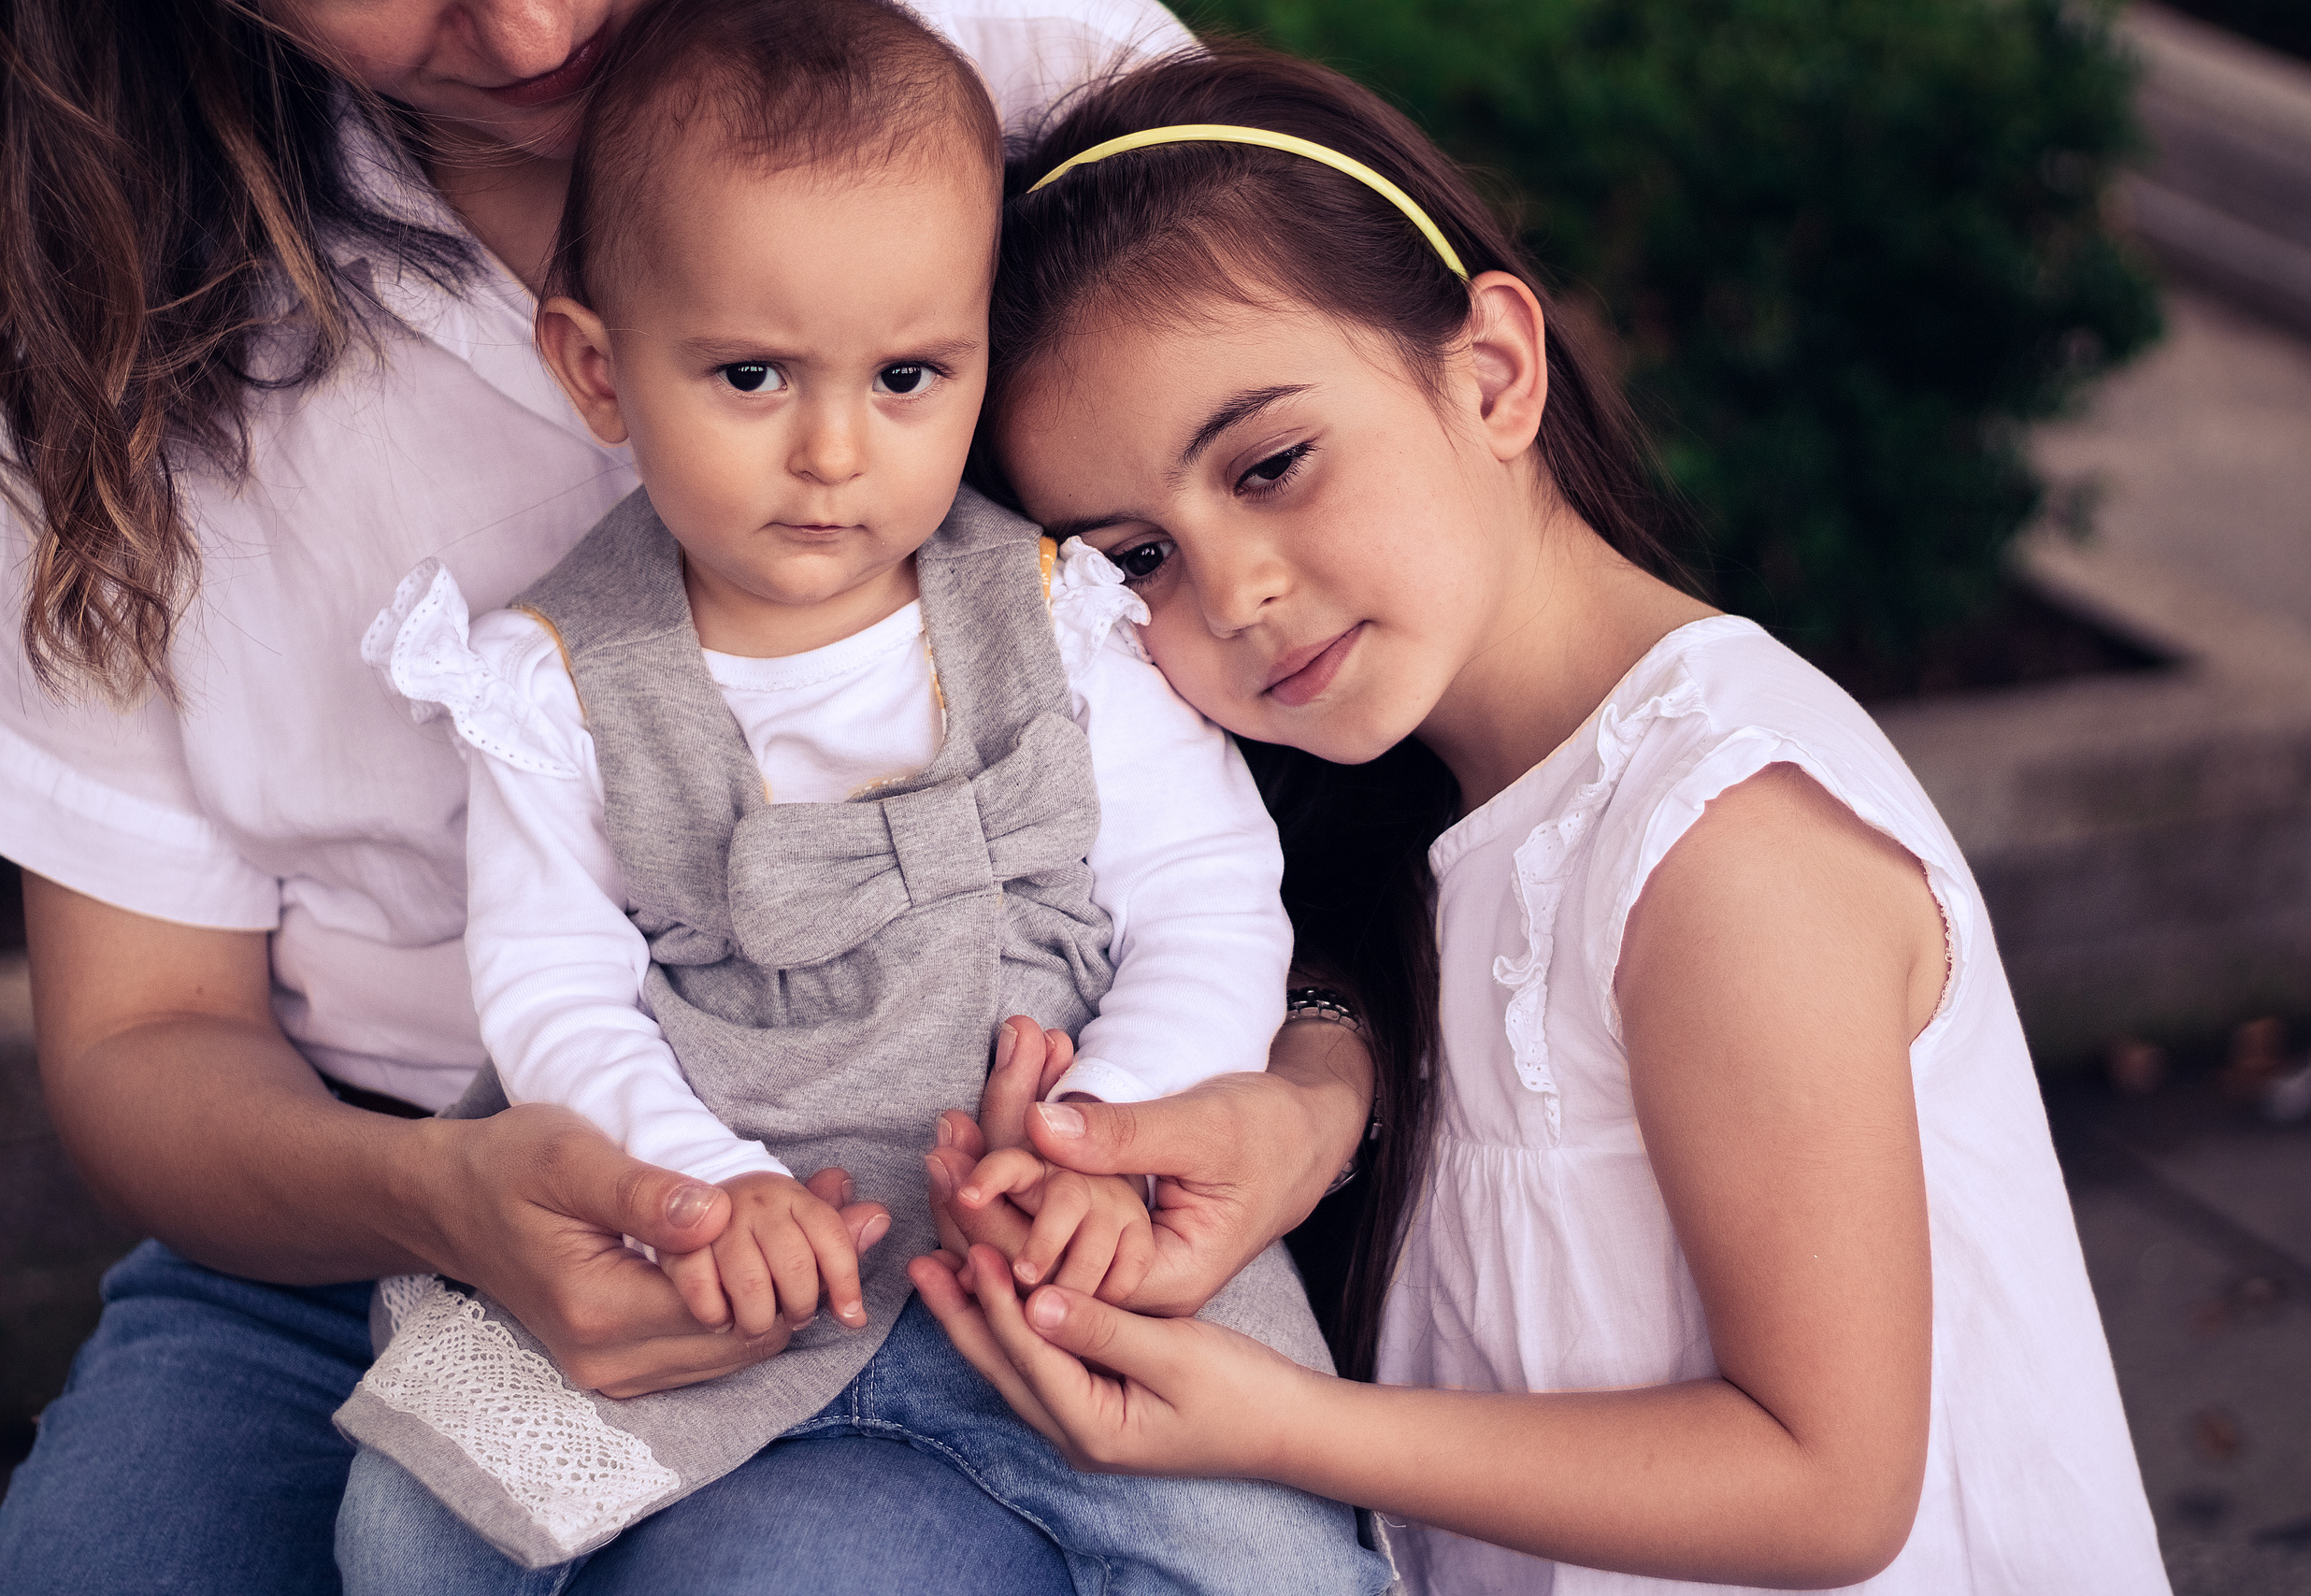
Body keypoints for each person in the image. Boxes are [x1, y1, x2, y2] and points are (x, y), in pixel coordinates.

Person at [0, 4, 1380, 1593]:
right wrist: (606, 1191)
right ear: (598, 367)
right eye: (747, 374)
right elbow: (193, 1027)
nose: (520, 28)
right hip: (445, 1189)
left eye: (914, 372)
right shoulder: (548, 682)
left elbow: (1249, 843)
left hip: (1046, 1202)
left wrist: (1156, 1113)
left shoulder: (1055, 594)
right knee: (361, 1535)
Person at [912, 44, 2175, 1594]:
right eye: (1134, 559)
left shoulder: (1720, 849)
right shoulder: (1428, 796)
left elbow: (1832, 1485)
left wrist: (1285, 1428)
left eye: (1273, 463)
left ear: (1494, 371)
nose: (1232, 589)